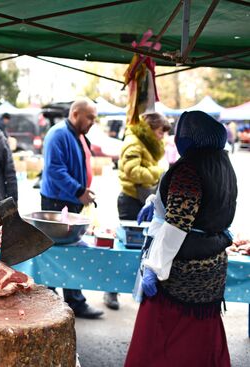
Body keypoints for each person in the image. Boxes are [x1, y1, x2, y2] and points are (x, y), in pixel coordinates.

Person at [125, 111, 237, 366]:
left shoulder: (189, 168)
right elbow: (205, 206)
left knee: (170, 341)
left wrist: (155, 268)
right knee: (201, 338)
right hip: (213, 263)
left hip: (182, 271)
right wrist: (156, 201)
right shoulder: (222, 162)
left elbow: (178, 225)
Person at [39, 98, 104, 319]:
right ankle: (54, 301)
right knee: (57, 253)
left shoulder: (76, 134)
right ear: (75, 114)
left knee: (70, 252)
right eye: (90, 117)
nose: (92, 122)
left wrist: (83, 190)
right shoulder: (58, 134)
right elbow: (55, 171)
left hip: (69, 201)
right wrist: (79, 191)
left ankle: (71, 300)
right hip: (57, 203)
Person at [105, 112, 171, 310]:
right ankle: (111, 291)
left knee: (139, 249)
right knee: (125, 249)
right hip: (131, 201)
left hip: (142, 199)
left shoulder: (145, 143)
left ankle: (135, 289)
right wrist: (159, 172)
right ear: (150, 128)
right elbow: (131, 171)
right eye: (160, 131)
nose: (162, 136)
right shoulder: (134, 142)